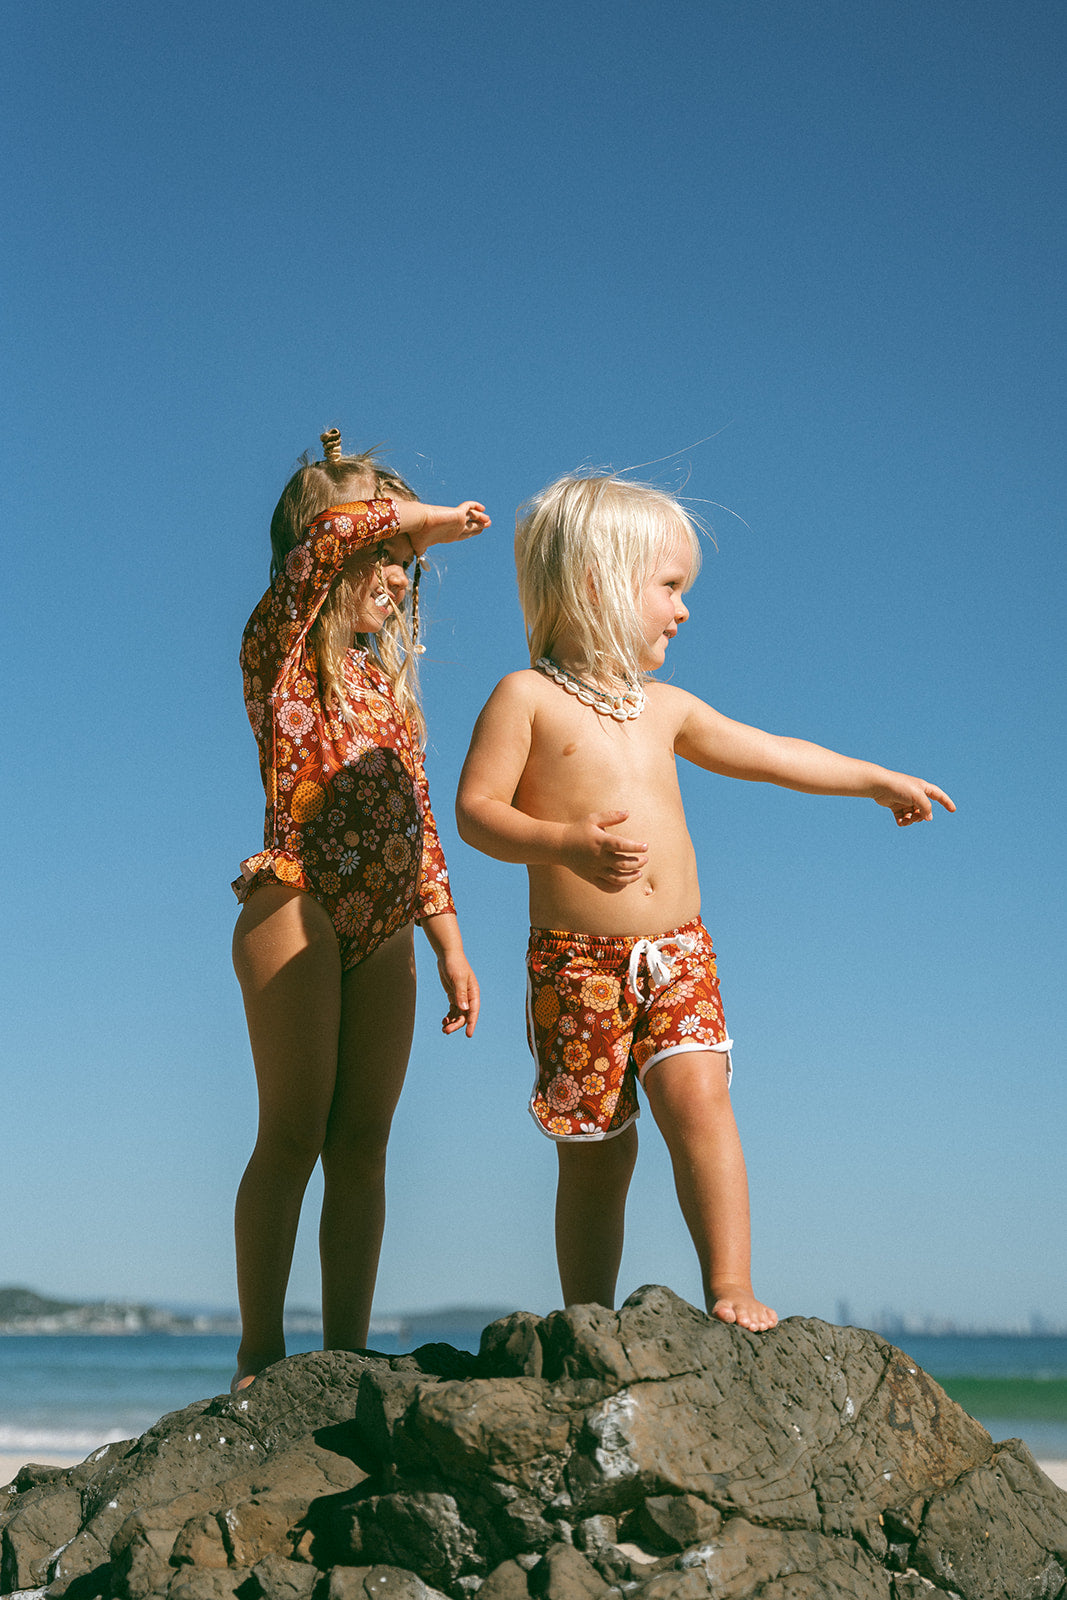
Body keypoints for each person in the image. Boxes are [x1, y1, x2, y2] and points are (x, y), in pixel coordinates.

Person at [456, 473, 954, 1333]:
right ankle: (588, 1317)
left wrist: (872, 778)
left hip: (678, 952)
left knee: (700, 1103)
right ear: (597, 584)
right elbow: (476, 814)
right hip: (578, 965)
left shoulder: (665, 708)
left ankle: (730, 1284)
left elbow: (770, 753)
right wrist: (565, 842)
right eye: (669, 587)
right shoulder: (525, 698)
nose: (682, 611)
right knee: (596, 1151)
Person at [231, 429, 489, 1389]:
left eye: (404, 558)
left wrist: (450, 945)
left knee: (363, 1147)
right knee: (293, 1131)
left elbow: (419, 823)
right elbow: (331, 535)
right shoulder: (282, 642)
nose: (398, 568)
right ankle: (260, 1352)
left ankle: (342, 1356)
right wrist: (428, 519)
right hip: (296, 900)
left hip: (385, 926)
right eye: (384, 550)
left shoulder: (387, 690)